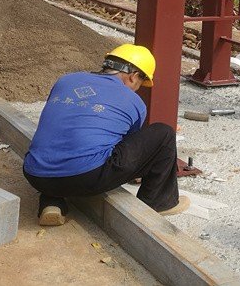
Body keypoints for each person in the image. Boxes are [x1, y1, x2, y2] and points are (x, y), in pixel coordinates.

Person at [23, 44, 188, 226]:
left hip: (35, 174)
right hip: (86, 178)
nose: (137, 89)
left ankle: (51, 201)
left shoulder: (66, 80)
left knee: (65, 144)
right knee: (163, 133)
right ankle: (159, 203)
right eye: (141, 83)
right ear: (133, 76)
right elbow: (124, 145)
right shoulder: (134, 101)